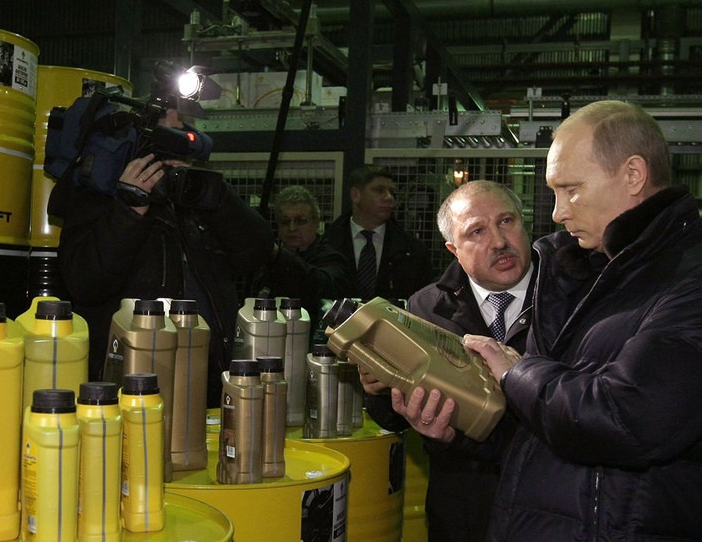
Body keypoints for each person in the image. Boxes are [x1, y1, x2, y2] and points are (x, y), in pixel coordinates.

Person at [388, 100, 702, 542]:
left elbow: (627, 418)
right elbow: (547, 429)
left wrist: (516, 371)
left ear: (633, 175)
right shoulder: (595, 276)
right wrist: (457, 429)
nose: (558, 213)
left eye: (570, 190)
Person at [360, 180, 535, 542]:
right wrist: (381, 392)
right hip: (466, 520)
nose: (498, 241)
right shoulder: (424, 308)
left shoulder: (568, 299)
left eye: (507, 222)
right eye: (476, 232)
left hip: (548, 518)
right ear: (453, 249)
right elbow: (394, 415)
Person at [52, 91, 273, 408]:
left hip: (208, 382)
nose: (182, 142)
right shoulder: (99, 200)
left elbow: (257, 251)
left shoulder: (193, 201)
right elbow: (86, 282)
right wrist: (130, 209)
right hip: (135, 386)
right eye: (172, 135)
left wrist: (215, 196)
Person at [245, 184, 353, 341]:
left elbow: (321, 287)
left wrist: (278, 256)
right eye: (285, 221)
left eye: (300, 221)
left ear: (316, 223)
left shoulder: (331, 258)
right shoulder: (266, 264)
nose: (292, 228)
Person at [321, 164, 432, 301]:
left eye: (392, 192)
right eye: (379, 191)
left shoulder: (413, 251)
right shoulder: (327, 245)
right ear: (356, 195)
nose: (389, 197)